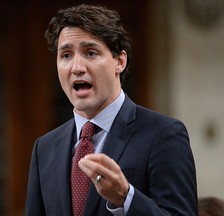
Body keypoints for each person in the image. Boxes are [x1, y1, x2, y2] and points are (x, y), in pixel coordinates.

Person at [24, 4, 198, 216]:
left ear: (119, 61)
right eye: (66, 55)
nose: (77, 67)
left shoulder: (163, 134)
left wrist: (125, 198)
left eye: (90, 52)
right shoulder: (45, 148)